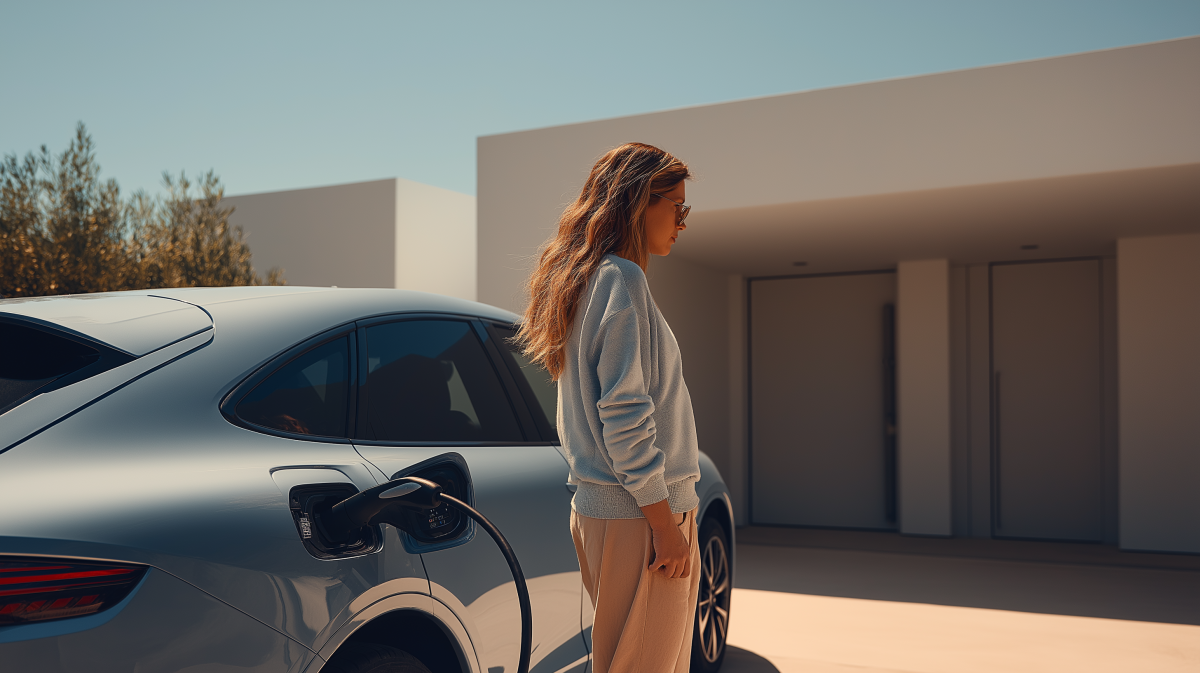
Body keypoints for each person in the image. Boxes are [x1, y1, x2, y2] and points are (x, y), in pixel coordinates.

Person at [516, 142, 701, 673]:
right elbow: (623, 415)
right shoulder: (622, 279)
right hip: (642, 516)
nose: (682, 223)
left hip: (615, 512)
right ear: (642, 202)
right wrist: (665, 524)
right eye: (678, 207)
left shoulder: (586, 280)